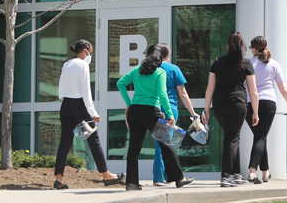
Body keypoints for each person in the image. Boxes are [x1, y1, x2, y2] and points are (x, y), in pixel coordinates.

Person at [116, 43, 195, 191]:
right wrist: (170, 115)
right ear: (161, 59)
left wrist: (129, 104)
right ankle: (179, 178)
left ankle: (132, 183)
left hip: (135, 112)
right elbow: (162, 94)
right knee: (166, 144)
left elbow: (120, 83)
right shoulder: (160, 73)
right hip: (151, 112)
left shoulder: (137, 70)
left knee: (134, 148)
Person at [54, 39, 124, 189]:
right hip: (79, 105)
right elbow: (86, 91)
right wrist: (93, 112)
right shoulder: (83, 64)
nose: (90, 56)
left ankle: (59, 179)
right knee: (94, 140)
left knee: (65, 143)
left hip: (65, 105)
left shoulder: (66, 64)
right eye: (90, 53)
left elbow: (62, 87)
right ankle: (106, 175)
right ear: (85, 51)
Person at [204, 32, 259, 187]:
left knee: (232, 137)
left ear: (227, 46)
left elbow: (210, 88)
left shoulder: (217, 62)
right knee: (232, 138)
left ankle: (237, 174)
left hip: (219, 105)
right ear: (242, 47)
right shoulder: (246, 63)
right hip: (237, 105)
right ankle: (225, 176)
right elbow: (253, 91)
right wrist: (255, 111)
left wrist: (206, 109)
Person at [148, 44, 199, 187]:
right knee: (164, 143)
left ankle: (166, 176)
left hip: (152, 108)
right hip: (169, 108)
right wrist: (192, 112)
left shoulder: (150, 68)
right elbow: (182, 93)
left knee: (164, 143)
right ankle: (158, 177)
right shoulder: (173, 69)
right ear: (168, 55)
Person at [245, 35, 287, 184]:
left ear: (253, 49)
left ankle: (253, 172)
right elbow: (283, 88)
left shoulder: (247, 63)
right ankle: (264, 172)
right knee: (261, 137)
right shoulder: (274, 64)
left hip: (250, 103)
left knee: (260, 136)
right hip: (269, 103)